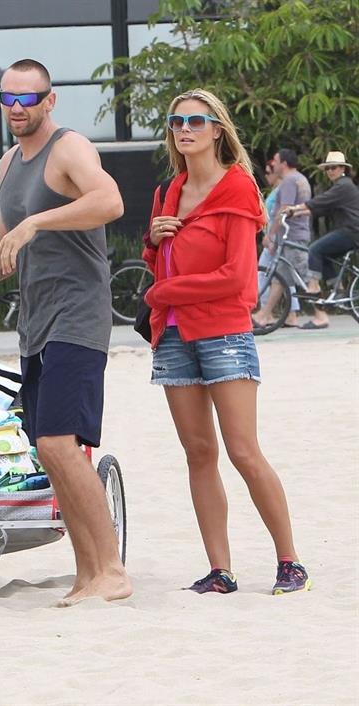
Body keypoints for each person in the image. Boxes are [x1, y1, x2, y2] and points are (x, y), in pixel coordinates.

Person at [0, 59, 132, 605]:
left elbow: (110, 202)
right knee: (49, 449)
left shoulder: (69, 148)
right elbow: (8, 233)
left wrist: (39, 222)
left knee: (61, 442)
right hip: (34, 322)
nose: (15, 109)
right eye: (7, 100)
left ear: (49, 101)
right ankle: (88, 575)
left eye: (27, 100)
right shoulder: (10, 162)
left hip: (77, 316)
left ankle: (113, 571)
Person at [143, 88, 311, 595]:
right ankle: (221, 571)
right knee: (198, 453)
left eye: (196, 120)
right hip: (172, 334)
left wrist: (165, 290)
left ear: (218, 129)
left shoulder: (237, 189)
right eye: (176, 121)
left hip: (223, 333)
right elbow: (160, 265)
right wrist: (152, 244)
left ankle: (290, 562)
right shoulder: (166, 194)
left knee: (243, 451)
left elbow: (238, 279)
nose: (185, 128)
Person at [286, 151, 359, 329]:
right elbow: (321, 208)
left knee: (315, 249)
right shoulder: (341, 187)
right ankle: (339, 290)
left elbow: (320, 201)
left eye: (333, 168)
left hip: (352, 232)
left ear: (343, 169)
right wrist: (296, 213)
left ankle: (313, 286)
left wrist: (295, 207)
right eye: (327, 168)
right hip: (350, 231)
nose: (330, 171)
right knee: (324, 255)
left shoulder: (343, 186)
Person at [253, 149, 312, 328]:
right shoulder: (301, 179)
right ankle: (278, 315)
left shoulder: (288, 181)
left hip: (290, 235)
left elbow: (284, 209)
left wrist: (270, 235)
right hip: (298, 234)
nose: (274, 164)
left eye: (276, 161)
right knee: (285, 277)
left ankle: (264, 315)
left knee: (299, 277)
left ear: (284, 164)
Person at [257, 159, 300, 324]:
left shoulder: (281, 190)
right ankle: (291, 314)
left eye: (269, 172)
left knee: (264, 274)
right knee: (283, 274)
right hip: (274, 237)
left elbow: (279, 214)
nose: (267, 175)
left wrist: (271, 236)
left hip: (276, 238)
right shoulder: (276, 190)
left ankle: (266, 313)